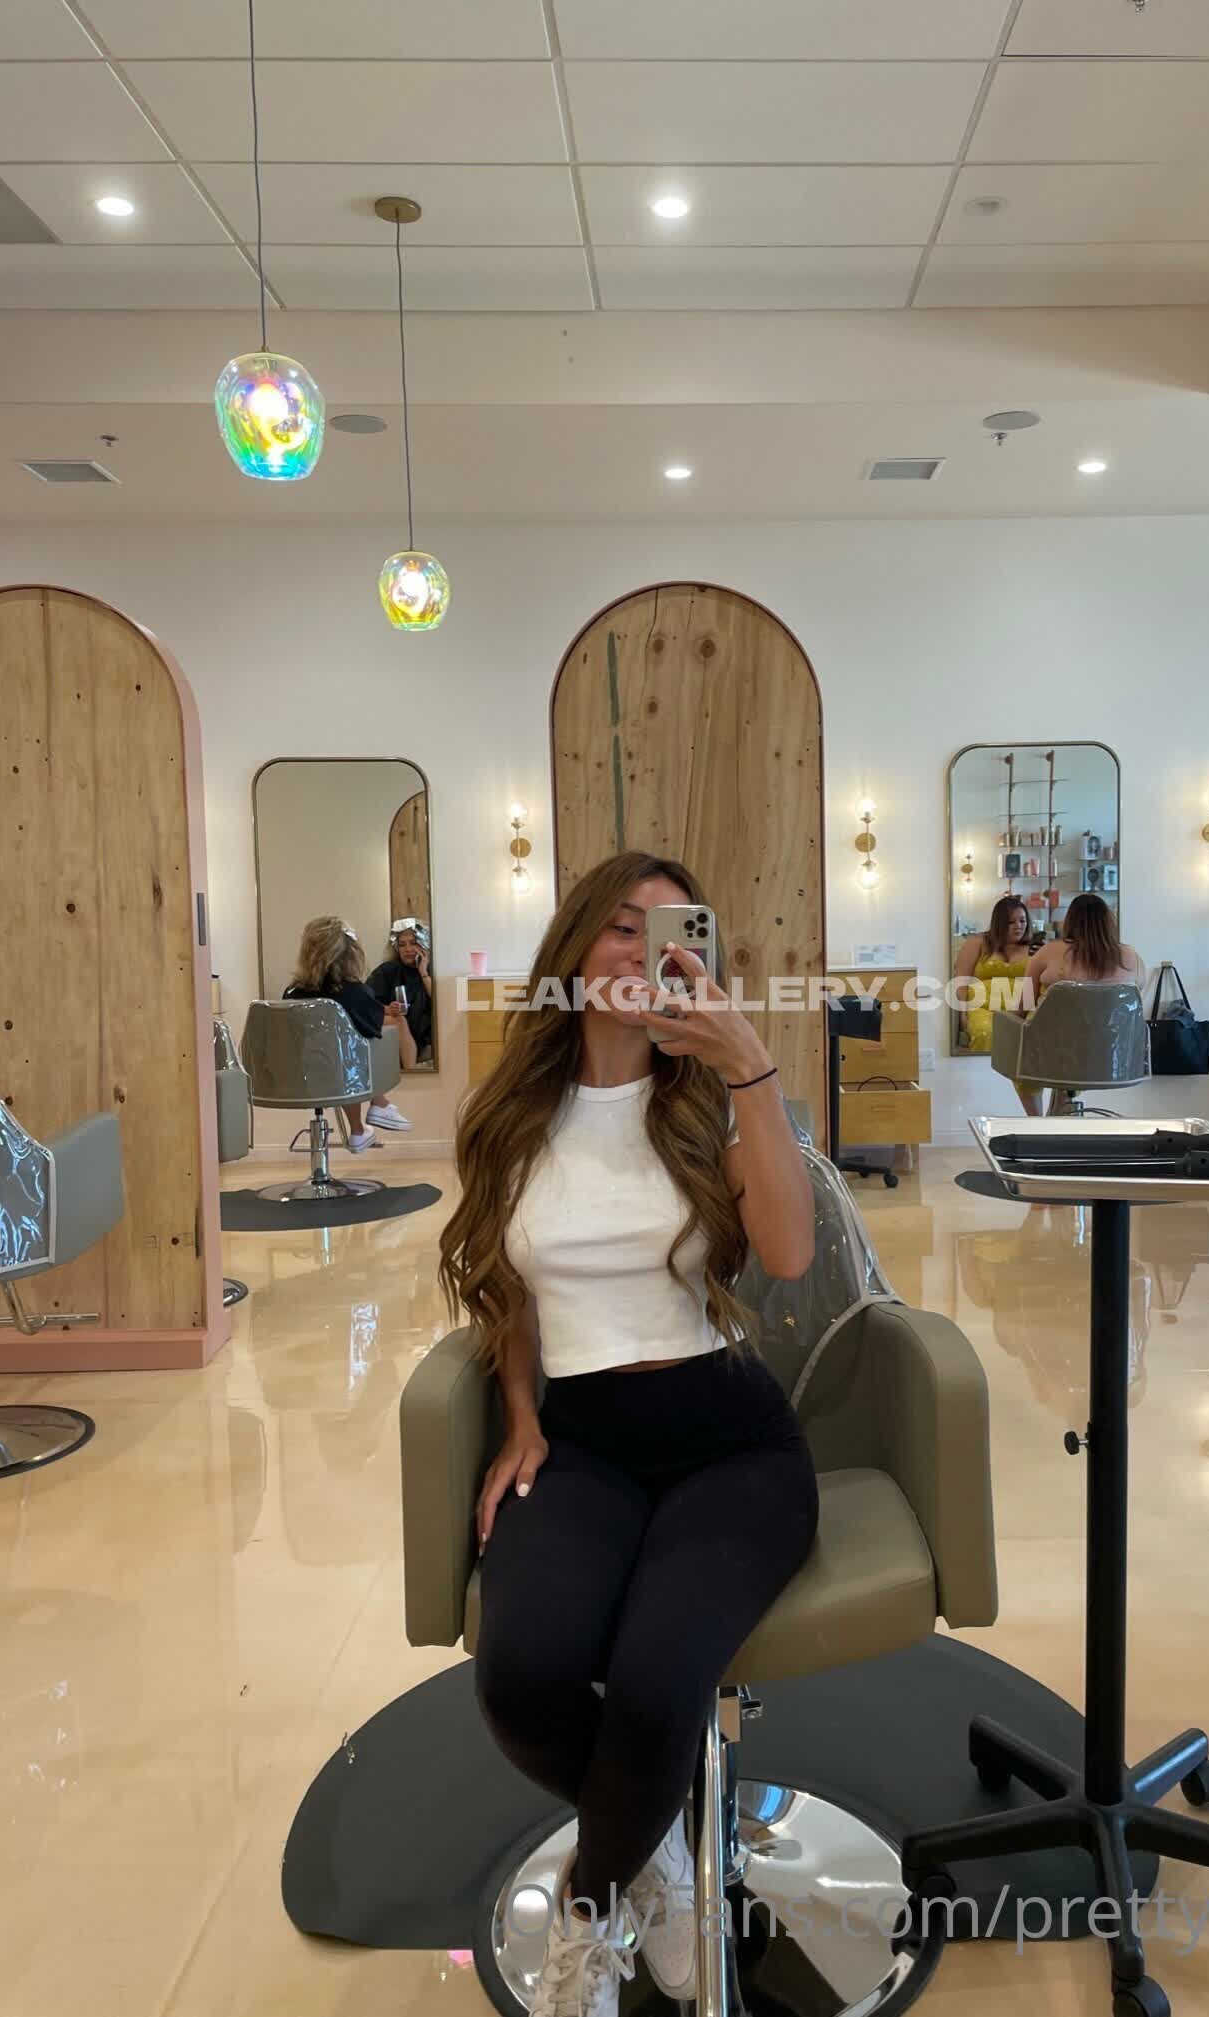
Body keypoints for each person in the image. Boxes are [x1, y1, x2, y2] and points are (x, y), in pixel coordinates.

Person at [438, 851, 817, 2017]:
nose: (644, 953)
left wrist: (751, 1067)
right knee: (521, 1679)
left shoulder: (712, 1101)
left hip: (729, 1444)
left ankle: (588, 1913)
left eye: (670, 932)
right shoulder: (512, 1116)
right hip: (583, 1443)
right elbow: (509, 1291)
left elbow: (790, 1253)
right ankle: (653, 1852)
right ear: (572, 951)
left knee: (658, 1689)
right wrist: (518, 1420)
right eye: (619, 928)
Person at [283, 915, 416, 1150]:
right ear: (349, 953)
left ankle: (362, 1126)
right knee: (362, 1042)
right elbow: (371, 1028)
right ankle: (377, 1106)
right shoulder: (354, 993)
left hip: (297, 1077)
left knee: (338, 1046)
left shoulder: (291, 993)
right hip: (339, 1077)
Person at [1024, 893, 1146, 1115]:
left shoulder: (1049, 952)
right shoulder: (1131, 956)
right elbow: (1135, 1001)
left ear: (1070, 920)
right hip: (1113, 1056)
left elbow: (1023, 1004)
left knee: (1024, 1036)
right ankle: (1064, 1101)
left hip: (1053, 1052)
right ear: (1108, 922)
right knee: (1080, 1034)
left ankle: (1036, 1119)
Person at [952, 895, 1036, 1092]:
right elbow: (961, 981)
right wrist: (962, 1014)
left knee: (1034, 1036)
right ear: (999, 923)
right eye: (1011, 922)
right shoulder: (977, 943)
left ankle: (1025, 1086)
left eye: (1022, 921)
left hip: (1022, 1010)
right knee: (986, 1032)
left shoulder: (1034, 947)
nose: (1018, 926)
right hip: (983, 1008)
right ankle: (988, 1088)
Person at [367, 918, 435, 1066]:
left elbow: (440, 1004)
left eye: (413, 943)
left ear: (424, 944)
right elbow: (367, 1006)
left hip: (429, 1044)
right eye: (402, 944)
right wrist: (389, 1009)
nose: (408, 949)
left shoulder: (434, 972)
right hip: (393, 1045)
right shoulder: (387, 971)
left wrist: (424, 973)